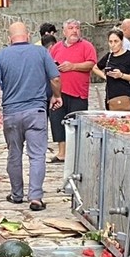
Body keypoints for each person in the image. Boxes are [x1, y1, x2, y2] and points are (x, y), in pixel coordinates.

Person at [0, 22, 62, 212]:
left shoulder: (1, 56)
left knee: (14, 154)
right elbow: (55, 78)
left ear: (9, 38)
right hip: (36, 111)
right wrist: (57, 95)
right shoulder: (41, 53)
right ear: (28, 35)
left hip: (11, 113)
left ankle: (16, 194)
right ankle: (36, 197)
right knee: (37, 155)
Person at [48, 19, 97, 163]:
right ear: (64, 32)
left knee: (76, 124)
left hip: (78, 93)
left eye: (77, 27)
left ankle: (76, 153)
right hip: (58, 93)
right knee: (57, 121)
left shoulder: (87, 46)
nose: (74, 30)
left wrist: (73, 66)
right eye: (70, 28)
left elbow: (90, 64)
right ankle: (62, 153)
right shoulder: (56, 48)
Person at [93, 28, 130, 110]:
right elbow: (95, 68)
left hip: (129, 97)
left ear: (122, 41)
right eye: (110, 42)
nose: (113, 44)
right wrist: (106, 77)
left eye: (116, 41)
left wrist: (121, 75)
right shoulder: (109, 57)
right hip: (111, 98)